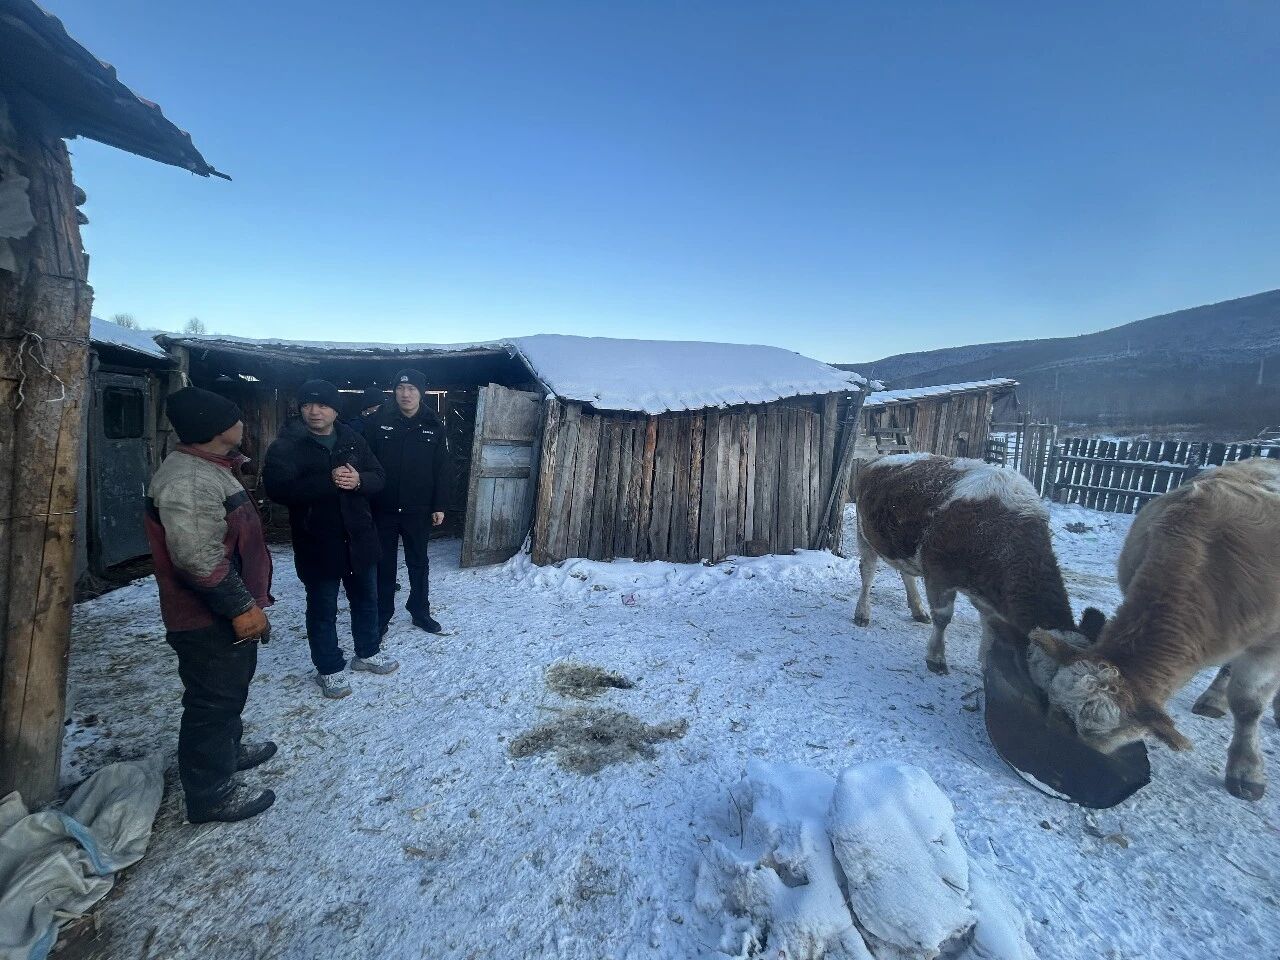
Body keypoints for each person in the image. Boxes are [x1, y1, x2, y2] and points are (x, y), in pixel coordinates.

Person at [144, 386, 276, 824]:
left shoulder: (210, 467)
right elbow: (197, 558)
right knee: (212, 701)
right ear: (218, 428)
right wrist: (241, 607)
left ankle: (227, 751)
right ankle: (211, 793)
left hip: (218, 611)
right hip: (205, 616)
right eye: (235, 417)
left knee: (229, 688)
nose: (242, 423)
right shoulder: (190, 480)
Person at [263, 380, 395, 699]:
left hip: (359, 537)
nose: (315, 411)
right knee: (323, 608)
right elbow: (277, 489)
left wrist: (359, 480)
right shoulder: (287, 445)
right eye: (308, 404)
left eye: (323, 405)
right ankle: (329, 668)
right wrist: (327, 481)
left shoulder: (352, 439)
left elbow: (379, 477)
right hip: (317, 541)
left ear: (336, 410)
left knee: (366, 600)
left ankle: (367, 652)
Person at [363, 368, 453, 635]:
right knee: (384, 564)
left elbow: (443, 468)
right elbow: (365, 463)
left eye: (412, 389)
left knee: (418, 562)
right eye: (400, 388)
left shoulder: (434, 424)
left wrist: (439, 505)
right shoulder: (377, 421)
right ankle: (382, 615)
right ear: (394, 391)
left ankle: (420, 611)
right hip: (384, 507)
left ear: (421, 392)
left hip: (419, 508)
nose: (405, 394)